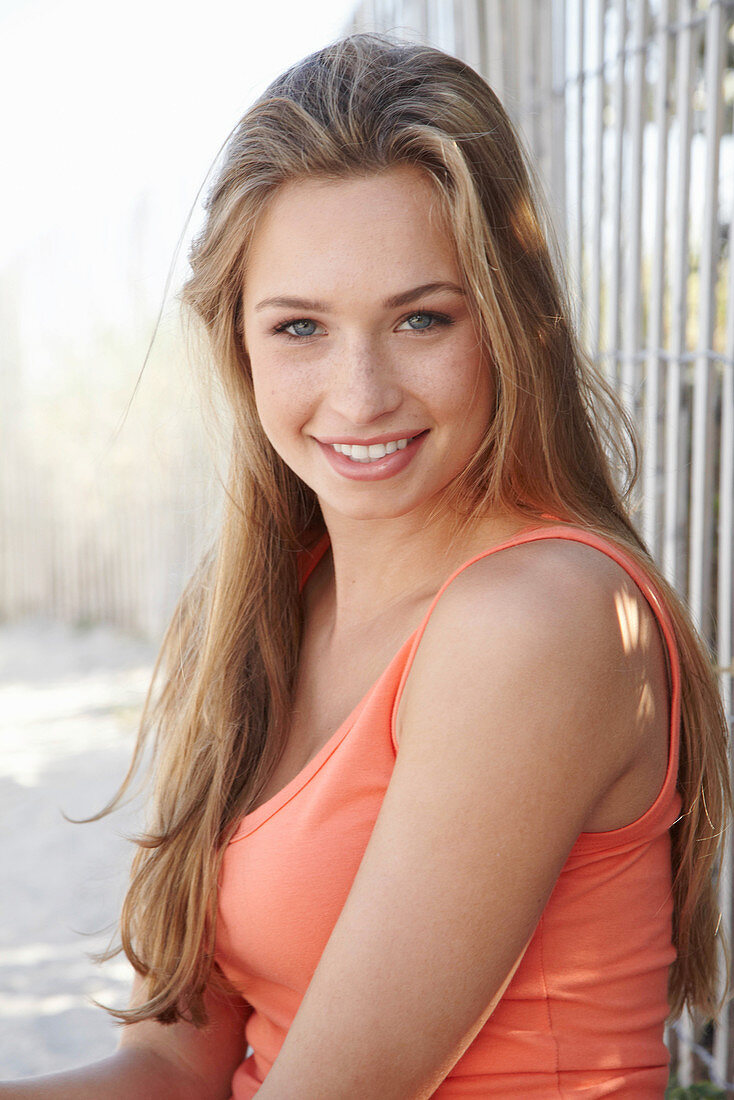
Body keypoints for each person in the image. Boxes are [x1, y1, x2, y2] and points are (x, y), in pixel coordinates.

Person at [2, 31, 731, 1099]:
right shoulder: (274, 600)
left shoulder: (539, 620)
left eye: (420, 318)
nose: (359, 394)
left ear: (511, 326)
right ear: (238, 345)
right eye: (299, 326)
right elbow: (173, 1063)